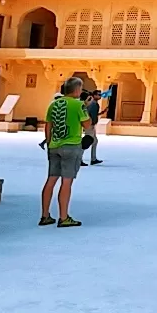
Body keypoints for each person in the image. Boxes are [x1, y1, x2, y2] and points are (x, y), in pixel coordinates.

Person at [40, 76, 91, 228]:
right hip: (71, 145)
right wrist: (85, 107)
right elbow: (87, 125)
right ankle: (64, 217)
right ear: (77, 90)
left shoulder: (53, 104)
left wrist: (49, 143)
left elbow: (48, 126)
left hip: (54, 145)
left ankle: (45, 215)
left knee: (51, 180)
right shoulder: (78, 105)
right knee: (66, 181)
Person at [84, 89, 103, 166]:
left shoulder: (92, 103)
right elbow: (91, 115)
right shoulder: (93, 104)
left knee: (94, 141)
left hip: (90, 124)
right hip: (90, 125)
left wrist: (102, 113)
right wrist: (92, 123)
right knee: (88, 141)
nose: (99, 96)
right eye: (98, 94)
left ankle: (93, 158)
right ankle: (80, 157)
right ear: (94, 95)